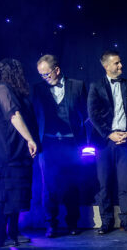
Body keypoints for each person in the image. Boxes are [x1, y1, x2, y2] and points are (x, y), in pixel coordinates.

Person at [0, 58, 39, 247]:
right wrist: (30, 139)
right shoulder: (2, 90)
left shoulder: (1, 90)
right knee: (4, 195)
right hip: (6, 152)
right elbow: (14, 116)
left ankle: (13, 232)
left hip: (10, 151)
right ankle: (1, 236)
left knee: (13, 195)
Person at [33, 54, 88, 237]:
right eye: (41, 75)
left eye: (46, 74)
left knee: (72, 185)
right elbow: (34, 117)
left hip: (71, 143)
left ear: (57, 70)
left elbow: (86, 113)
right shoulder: (38, 89)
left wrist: (82, 136)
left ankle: (72, 223)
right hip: (48, 144)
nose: (44, 78)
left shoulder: (77, 86)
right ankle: (51, 224)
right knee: (49, 186)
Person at [87, 50, 127, 235]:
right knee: (104, 184)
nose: (121, 66)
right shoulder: (96, 86)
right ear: (106, 66)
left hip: (124, 141)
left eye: (120, 62)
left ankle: (126, 221)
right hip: (105, 142)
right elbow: (92, 114)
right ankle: (106, 222)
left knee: (125, 184)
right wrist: (109, 134)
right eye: (117, 63)